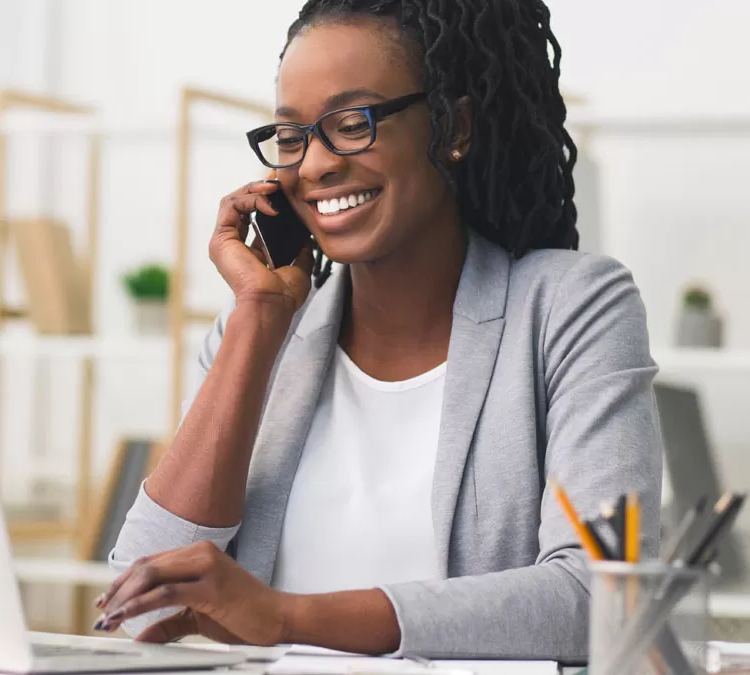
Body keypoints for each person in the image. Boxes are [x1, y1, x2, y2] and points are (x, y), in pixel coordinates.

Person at [94, 0, 663, 660]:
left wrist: (282, 615)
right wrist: (260, 315)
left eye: (350, 123)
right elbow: (142, 603)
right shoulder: (256, 333)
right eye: (291, 135)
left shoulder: (570, 307)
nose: (314, 165)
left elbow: (600, 593)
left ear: (454, 125)